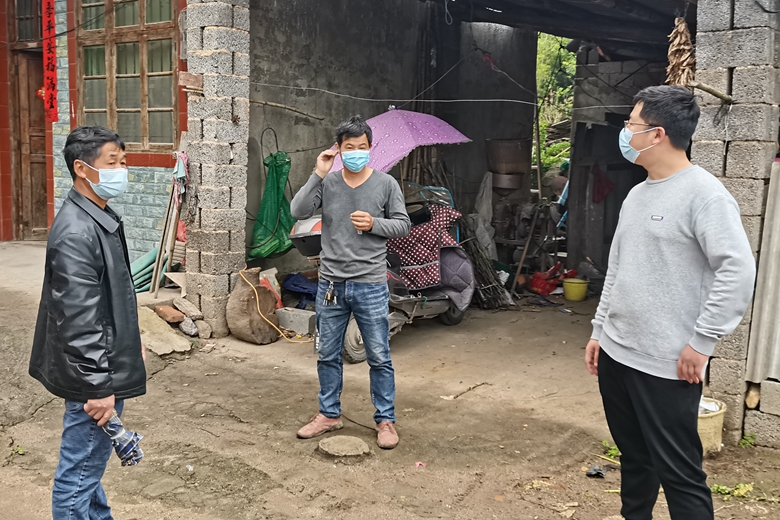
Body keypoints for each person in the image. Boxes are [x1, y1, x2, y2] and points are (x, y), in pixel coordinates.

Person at [585, 85, 756, 520]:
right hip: (617, 353)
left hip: (666, 363)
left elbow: (737, 271)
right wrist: (599, 330)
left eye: (631, 124)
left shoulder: (706, 195)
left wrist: (702, 341)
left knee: (680, 473)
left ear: (657, 134)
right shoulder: (638, 194)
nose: (626, 132)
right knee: (634, 459)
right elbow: (619, 268)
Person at [29, 126, 147, 519]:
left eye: (123, 162)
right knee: (77, 475)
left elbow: (108, 300)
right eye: (112, 163)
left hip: (102, 363)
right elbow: (79, 319)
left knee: (88, 470)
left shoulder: (97, 218)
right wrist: (97, 386)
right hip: (93, 375)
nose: (121, 170)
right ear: (82, 168)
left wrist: (130, 341)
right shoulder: (77, 232)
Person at [291, 115, 411, 449]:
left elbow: (402, 225)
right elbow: (298, 211)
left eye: (362, 147)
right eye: (349, 147)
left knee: (379, 356)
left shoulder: (386, 184)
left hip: (370, 283)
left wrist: (374, 223)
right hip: (331, 284)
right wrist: (318, 171)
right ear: (339, 149)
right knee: (327, 354)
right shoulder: (328, 183)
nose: (356, 152)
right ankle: (328, 414)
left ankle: (385, 420)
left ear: (370, 148)